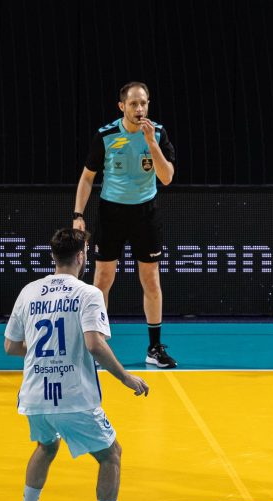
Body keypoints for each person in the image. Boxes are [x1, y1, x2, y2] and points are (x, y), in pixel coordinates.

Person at [4, 228, 150, 501]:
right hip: (72, 395)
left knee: (46, 446)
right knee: (111, 455)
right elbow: (94, 344)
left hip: (34, 394)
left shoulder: (29, 291)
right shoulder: (88, 293)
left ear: (53, 256)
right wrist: (125, 377)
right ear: (82, 256)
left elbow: (11, 346)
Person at [73, 81, 178, 368]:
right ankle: (97, 347)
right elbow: (87, 177)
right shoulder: (106, 135)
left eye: (143, 103)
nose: (139, 108)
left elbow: (167, 177)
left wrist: (151, 143)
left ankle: (154, 348)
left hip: (146, 213)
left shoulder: (158, 133)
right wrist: (78, 215)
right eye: (133, 103)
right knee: (102, 281)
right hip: (112, 212)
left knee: (151, 281)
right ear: (122, 106)